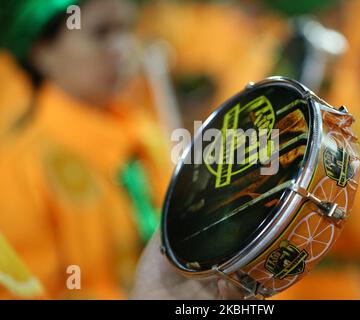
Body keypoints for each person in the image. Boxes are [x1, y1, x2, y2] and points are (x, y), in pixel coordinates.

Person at [0, 0, 243, 299]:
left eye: (128, 30)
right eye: (101, 33)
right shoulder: (19, 166)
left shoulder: (146, 136)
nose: (123, 48)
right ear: (42, 52)